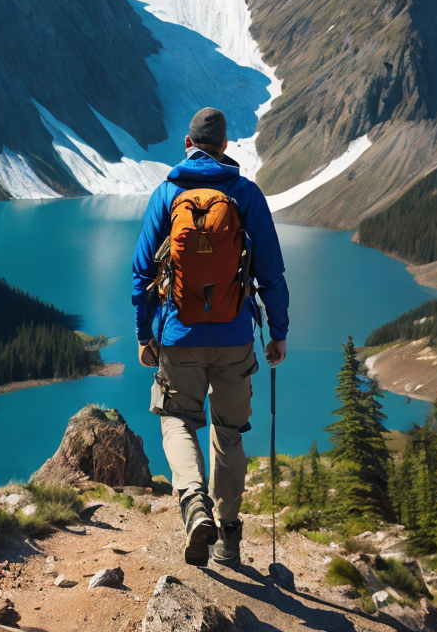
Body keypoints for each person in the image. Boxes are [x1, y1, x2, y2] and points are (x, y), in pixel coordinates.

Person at [132, 107, 289, 568]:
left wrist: (146, 335)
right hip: (236, 336)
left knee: (176, 419)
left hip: (178, 335)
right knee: (229, 434)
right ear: (224, 147)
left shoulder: (167, 195)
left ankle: (194, 504)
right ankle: (231, 536)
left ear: (188, 144)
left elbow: (141, 272)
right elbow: (272, 275)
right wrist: (277, 333)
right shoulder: (245, 194)